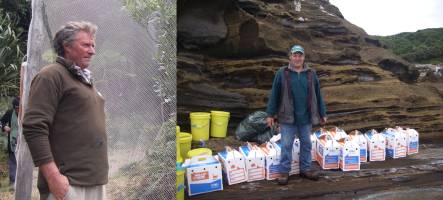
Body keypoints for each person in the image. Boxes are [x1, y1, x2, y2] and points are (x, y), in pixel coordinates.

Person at [23, 21, 108, 200]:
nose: (92, 50)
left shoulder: (82, 79)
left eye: (93, 45)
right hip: (68, 183)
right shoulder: (52, 75)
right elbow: (34, 127)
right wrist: (53, 177)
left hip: (93, 182)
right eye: (85, 45)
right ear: (67, 46)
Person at [265, 45, 327, 185]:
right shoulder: (282, 72)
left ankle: (305, 169)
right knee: (286, 145)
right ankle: (284, 172)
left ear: (304, 57)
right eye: (295, 55)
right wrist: (270, 114)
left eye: (300, 55)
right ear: (290, 57)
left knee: (306, 144)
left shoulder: (311, 73)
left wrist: (322, 113)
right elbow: (275, 94)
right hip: (287, 117)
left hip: (306, 117)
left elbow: (318, 94)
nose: (297, 58)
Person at [1, 96, 20, 188]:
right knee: (13, 162)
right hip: (12, 142)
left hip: (24, 142)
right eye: (17, 108)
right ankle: (13, 183)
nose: (18, 110)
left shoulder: (27, 113)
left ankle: (21, 183)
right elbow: (1, 122)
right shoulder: (9, 113)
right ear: (14, 107)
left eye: (20, 108)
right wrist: (4, 127)